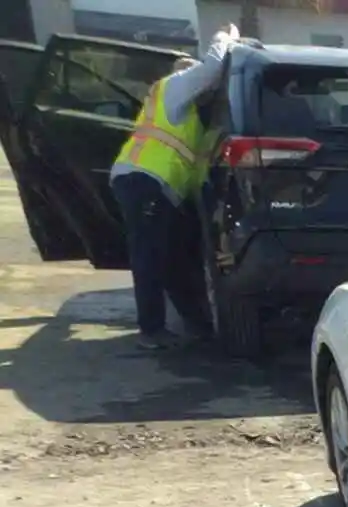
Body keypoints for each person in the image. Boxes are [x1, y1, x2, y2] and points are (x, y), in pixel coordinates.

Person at [109, 25, 239, 349]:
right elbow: (210, 70)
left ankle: (195, 325)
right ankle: (151, 330)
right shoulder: (175, 85)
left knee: (171, 255)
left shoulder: (189, 118)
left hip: (154, 186)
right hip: (145, 180)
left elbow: (192, 170)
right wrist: (226, 37)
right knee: (150, 255)